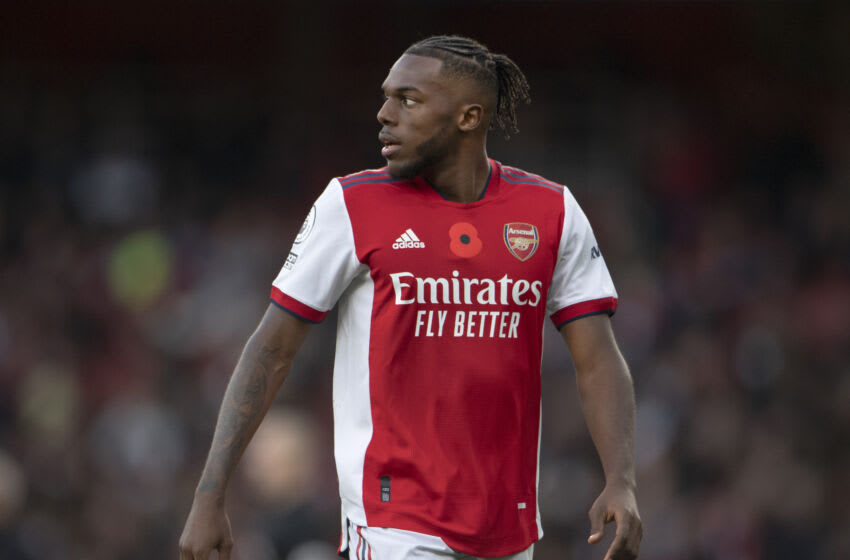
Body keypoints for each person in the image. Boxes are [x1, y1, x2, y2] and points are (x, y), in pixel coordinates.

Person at [179, 35, 641, 560]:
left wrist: (621, 479)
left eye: (409, 100)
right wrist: (210, 493)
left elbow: (599, 360)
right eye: (386, 96)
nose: (384, 114)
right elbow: (271, 348)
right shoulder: (351, 206)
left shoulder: (551, 212)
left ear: (469, 117)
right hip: (391, 522)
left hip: (508, 525)